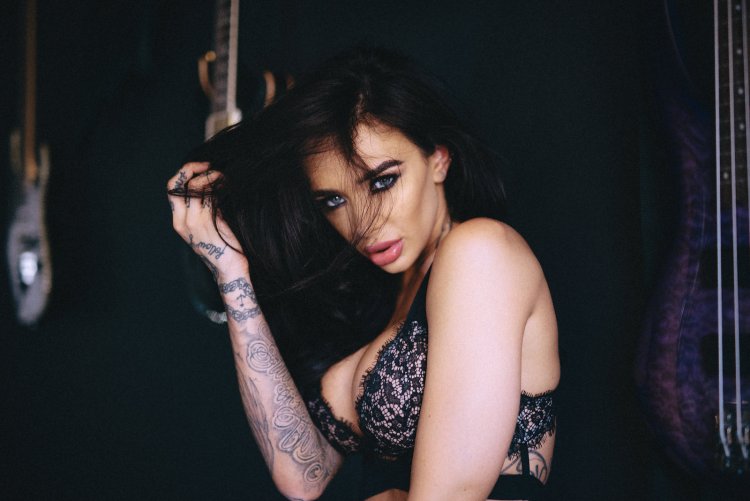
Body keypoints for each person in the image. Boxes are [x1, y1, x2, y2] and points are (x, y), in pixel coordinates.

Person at [167, 47, 559, 501]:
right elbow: (303, 474)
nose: (363, 225)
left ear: (438, 158)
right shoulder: (386, 297)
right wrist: (231, 271)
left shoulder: (481, 252)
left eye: (382, 181)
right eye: (333, 201)